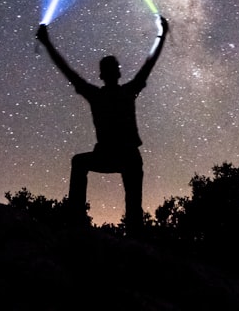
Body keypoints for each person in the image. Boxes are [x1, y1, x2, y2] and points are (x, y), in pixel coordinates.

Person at [36, 16, 169, 234]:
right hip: (126, 156)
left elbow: (69, 72)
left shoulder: (99, 95)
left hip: (117, 156)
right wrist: (161, 35)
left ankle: (77, 221)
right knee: (133, 207)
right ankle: (88, 223)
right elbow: (149, 63)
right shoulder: (125, 92)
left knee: (80, 164)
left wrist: (48, 43)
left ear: (103, 74)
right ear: (117, 72)